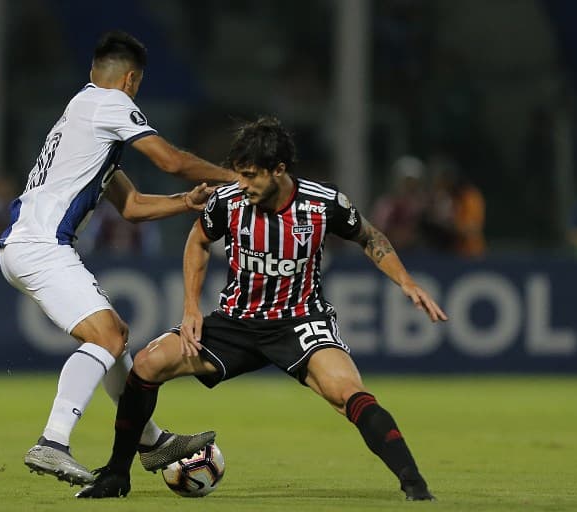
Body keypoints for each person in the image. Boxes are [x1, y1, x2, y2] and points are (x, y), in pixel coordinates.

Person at [77, 117, 447, 500]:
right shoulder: (228, 201)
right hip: (236, 322)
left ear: (279, 170)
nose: (243, 183)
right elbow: (198, 241)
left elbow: (369, 236)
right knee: (147, 363)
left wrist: (406, 282)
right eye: (239, 174)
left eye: (252, 176)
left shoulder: (323, 204)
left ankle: (415, 486)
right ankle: (117, 474)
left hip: (299, 322)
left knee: (347, 391)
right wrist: (191, 307)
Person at [0, 31, 235, 486]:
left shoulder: (83, 120)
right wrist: (235, 177)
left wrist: (186, 202)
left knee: (114, 337)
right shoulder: (110, 104)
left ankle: (150, 439)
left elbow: (131, 206)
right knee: (109, 336)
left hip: (29, 245)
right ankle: (52, 442)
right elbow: (170, 159)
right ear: (131, 80)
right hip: (42, 245)